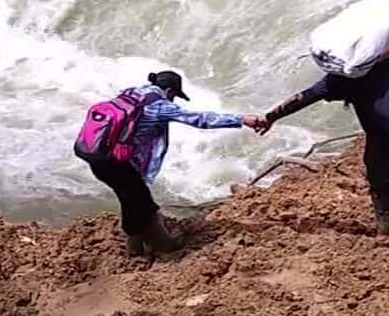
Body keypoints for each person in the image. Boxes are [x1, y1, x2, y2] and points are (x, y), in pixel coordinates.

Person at [255, 49, 389, 234]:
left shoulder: (338, 79)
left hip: (382, 140)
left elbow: (303, 97)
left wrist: (270, 117)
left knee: (379, 184)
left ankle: (386, 226)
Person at [79, 70, 263, 255]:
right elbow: (200, 119)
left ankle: (135, 247)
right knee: (144, 204)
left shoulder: (132, 93)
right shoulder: (160, 106)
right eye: (174, 95)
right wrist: (241, 119)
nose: (173, 100)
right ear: (168, 90)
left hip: (97, 155)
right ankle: (164, 246)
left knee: (131, 198)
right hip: (116, 164)